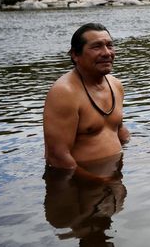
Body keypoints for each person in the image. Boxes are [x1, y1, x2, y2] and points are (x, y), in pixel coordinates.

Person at [43, 23, 130, 182]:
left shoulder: (116, 85)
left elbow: (119, 129)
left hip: (114, 177)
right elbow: (57, 157)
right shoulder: (64, 93)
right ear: (75, 55)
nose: (106, 53)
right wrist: (98, 182)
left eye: (109, 45)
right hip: (77, 186)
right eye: (96, 47)